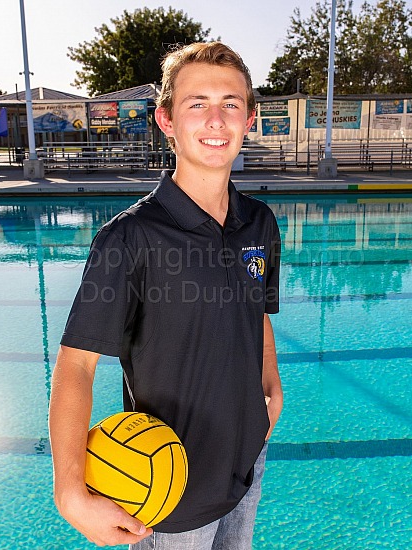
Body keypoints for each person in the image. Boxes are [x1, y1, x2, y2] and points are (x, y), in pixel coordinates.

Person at [49, 41, 283, 549]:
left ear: (250, 119)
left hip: (245, 467)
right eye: (197, 104)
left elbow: (257, 312)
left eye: (231, 104)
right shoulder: (129, 239)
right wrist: (68, 492)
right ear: (167, 121)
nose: (216, 120)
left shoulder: (259, 223)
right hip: (167, 494)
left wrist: (271, 387)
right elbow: (76, 366)